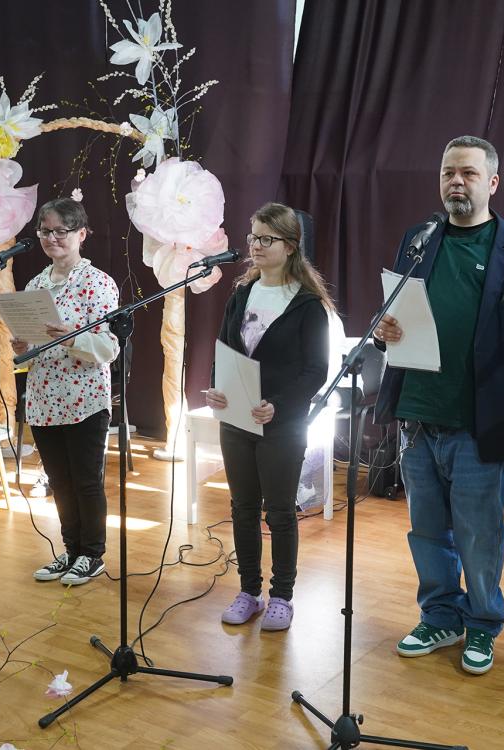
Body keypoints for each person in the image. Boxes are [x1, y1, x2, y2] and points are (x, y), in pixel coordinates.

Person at [374, 135, 504, 675]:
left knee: (479, 535)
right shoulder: (418, 239)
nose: (456, 181)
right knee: (427, 531)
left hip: (481, 423)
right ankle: (440, 616)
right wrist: (385, 330)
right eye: (448, 172)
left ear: (492, 182)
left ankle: (482, 623)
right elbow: (398, 313)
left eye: (469, 173)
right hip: (417, 415)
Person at [206, 202, 332, 632]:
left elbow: (316, 370)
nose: (255, 246)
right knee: (242, 508)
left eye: (266, 238)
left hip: (282, 423)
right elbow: (223, 351)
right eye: (253, 237)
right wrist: (216, 388)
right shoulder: (241, 294)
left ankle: (281, 597)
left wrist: (278, 404)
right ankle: (249, 592)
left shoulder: (307, 304)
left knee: (279, 511)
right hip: (237, 420)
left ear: (290, 246)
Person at [12, 197, 119, 587]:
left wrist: (72, 339)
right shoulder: (36, 285)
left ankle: (92, 554)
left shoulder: (98, 283)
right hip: (43, 397)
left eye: (61, 230)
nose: (52, 238)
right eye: (45, 231)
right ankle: (71, 550)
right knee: (58, 480)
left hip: (84, 398)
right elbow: (32, 346)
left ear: (81, 234)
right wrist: (23, 346)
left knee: (85, 481)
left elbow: (108, 348)